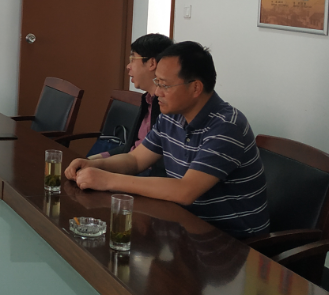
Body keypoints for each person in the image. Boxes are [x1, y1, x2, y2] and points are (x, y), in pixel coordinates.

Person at [64, 42, 269, 239]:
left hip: (232, 241)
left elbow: (185, 191)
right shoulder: (171, 116)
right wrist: (94, 164)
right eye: (157, 82)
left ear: (195, 88)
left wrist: (107, 180)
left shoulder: (227, 126)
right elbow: (135, 160)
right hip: (185, 226)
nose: (157, 92)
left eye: (165, 85)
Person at [88, 34, 173, 169]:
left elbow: (149, 163)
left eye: (133, 59)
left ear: (151, 63)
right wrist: (90, 161)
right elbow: (131, 150)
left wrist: (98, 167)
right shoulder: (147, 100)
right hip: (130, 165)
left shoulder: (168, 108)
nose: (128, 66)